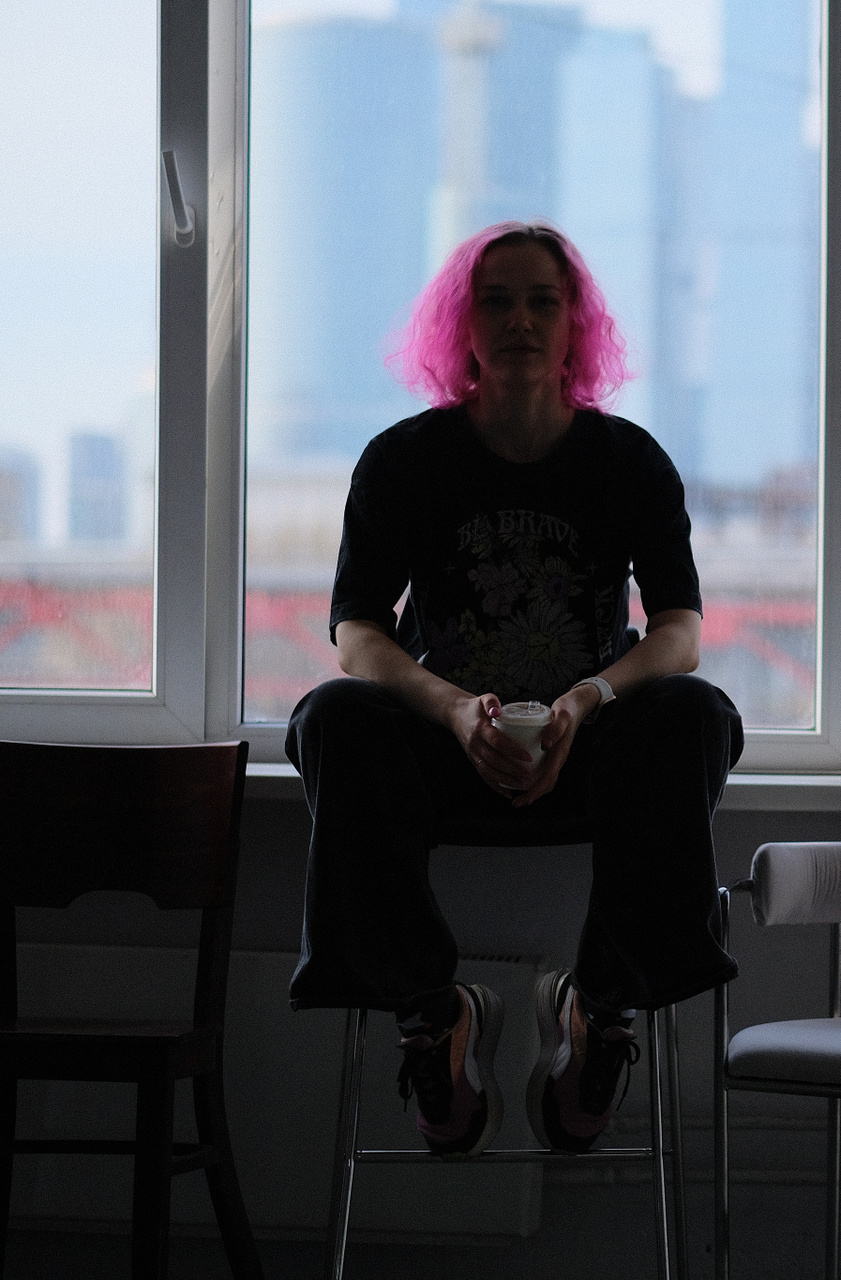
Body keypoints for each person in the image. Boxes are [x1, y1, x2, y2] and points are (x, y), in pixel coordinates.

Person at [284, 220, 742, 1159]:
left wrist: (587, 700)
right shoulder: (403, 460)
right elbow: (356, 631)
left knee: (696, 717)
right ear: (463, 324)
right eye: (496, 301)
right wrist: (453, 710)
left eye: (543, 301)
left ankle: (598, 1012)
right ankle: (433, 1017)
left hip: (586, 753)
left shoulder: (629, 462)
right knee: (332, 718)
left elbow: (681, 635)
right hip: (445, 753)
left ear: (577, 323)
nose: (521, 320)